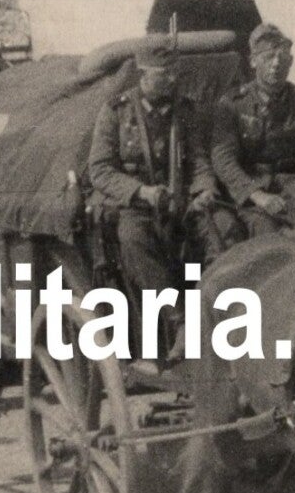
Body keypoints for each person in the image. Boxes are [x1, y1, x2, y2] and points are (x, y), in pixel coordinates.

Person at [87, 40, 215, 300]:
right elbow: (100, 169)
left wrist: (205, 189)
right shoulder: (117, 111)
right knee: (134, 240)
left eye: (173, 73)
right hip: (135, 206)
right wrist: (141, 192)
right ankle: (173, 314)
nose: (171, 80)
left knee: (214, 235)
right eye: (162, 74)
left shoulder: (184, 111)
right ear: (143, 73)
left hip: (180, 201)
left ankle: (213, 304)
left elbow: (198, 159)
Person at [208, 24, 295, 250]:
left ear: (290, 62)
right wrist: (256, 195)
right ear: (253, 62)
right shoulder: (233, 104)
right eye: (268, 57)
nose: (276, 64)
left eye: (282, 57)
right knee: (268, 239)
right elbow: (222, 158)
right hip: (254, 190)